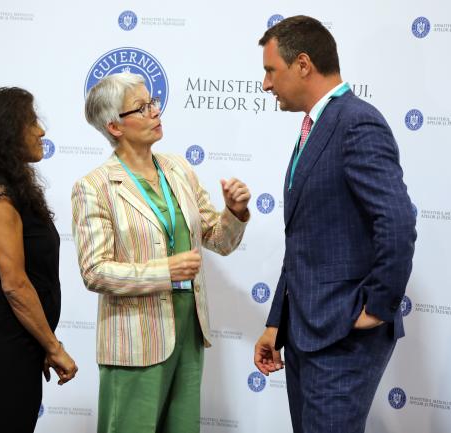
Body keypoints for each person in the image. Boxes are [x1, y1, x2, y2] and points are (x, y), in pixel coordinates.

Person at [253, 16, 417, 433]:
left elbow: (397, 223)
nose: (267, 84)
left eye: (271, 70)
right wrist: (277, 322)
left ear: (303, 64)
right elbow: (306, 241)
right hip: (306, 333)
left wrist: (377, 308)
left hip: (342, 338)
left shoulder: (357, 122)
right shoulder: (316, 126)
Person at [72, 72, 250, 433]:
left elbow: (218, 239)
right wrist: (165, 271)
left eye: (153, 102)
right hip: (135, 340)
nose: (155, 111)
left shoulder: (179, 168)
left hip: (188, 330)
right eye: (142, 107)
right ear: (114, 126)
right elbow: (95, 271)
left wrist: (235, 212)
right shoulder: (93, 186)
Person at [0, 87, 77, 433]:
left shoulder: (10, 185)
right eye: (32, 121)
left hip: (16, 343)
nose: (41, 130)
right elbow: (14, 284)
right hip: (1, 345)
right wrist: (53, 347)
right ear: (8, 130)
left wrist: (40, 341)